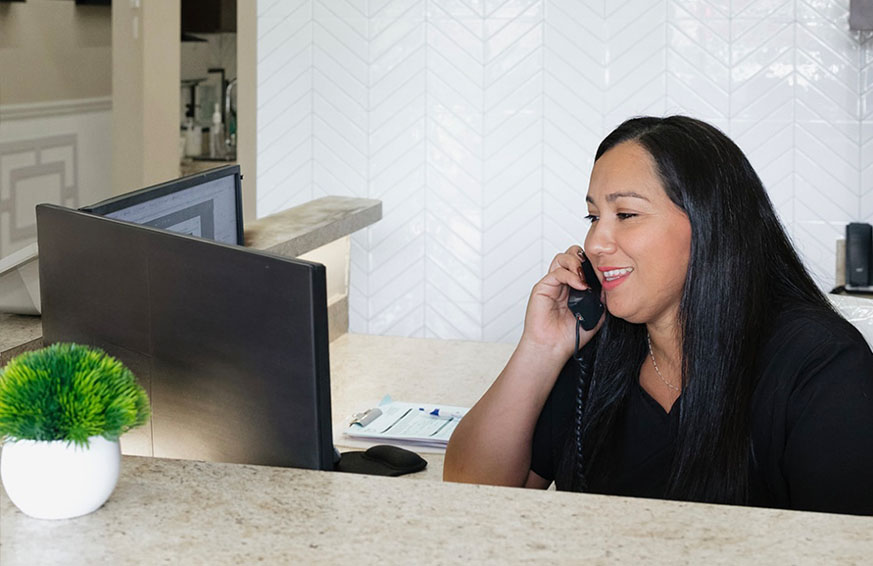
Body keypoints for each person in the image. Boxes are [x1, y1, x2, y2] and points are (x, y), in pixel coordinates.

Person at [443, 116, 873, 515]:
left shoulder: (821, 365)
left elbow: (843, 547)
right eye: (593, 217)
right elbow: (471, 493)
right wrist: (541, 349)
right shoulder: (598, 341)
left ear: (711, 225)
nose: (595, 242)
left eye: (626, 215)